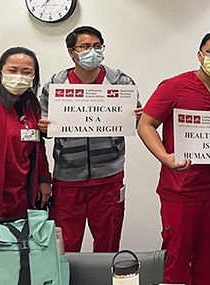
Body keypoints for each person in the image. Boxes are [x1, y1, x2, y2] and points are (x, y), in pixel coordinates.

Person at [137, 30, 210, 285]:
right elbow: (146, 124)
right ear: (200, 55)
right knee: (177, 256)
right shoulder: (174, 87)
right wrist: (165, 157)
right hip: (181, 190)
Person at [38, 26, 141, 253]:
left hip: (109, 177)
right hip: (67, 178)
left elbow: (137, 119)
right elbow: (43, 126)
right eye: (85, 47)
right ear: (71, 52)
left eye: (97, 46)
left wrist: (137, 117)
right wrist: (43, 128)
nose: (92, 52)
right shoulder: (56, 84)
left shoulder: (120, 82)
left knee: (108, 243)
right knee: (66, 245)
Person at [0, 47, 50, 221]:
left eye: (26, 72)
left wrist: (44, 179)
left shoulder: (31, 103)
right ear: (0, 71)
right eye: (13, 70)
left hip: (22, 189)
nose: (19, 76)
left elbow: (38, 145)